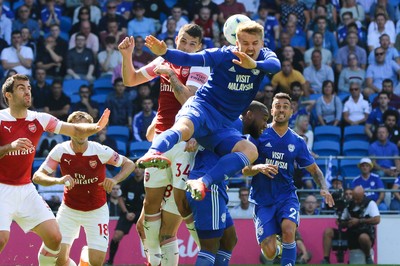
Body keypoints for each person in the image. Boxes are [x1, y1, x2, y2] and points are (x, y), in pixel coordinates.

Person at [138, 20, 281, 203]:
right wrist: (164, 52)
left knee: (250, 150)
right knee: (185, 128)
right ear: (236, 43)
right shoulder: (223, 54)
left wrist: (253, 64)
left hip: (223, 124)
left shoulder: (265, 56)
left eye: (254, 43)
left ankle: (202, 182)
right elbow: (189, 59)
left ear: (262, 43)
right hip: (203, 107)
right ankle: (154, 152)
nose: (250, 48)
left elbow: (275, 66)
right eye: (245, 43)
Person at [118, 23, 210, 266]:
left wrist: (170, 75)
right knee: (147, 213)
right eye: (183, 41)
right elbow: (130, 80)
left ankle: (209, 250)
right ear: (176, 39)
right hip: (161, 140)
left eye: (193, 44)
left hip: (184, 142)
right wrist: (126, 57)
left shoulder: (200, 65)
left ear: (199, 47)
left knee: (169, 224)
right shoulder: (164, 60)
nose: (187, 47)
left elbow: (188, 98)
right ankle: (155, 261)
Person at [0, 74, 110, 264]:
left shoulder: (40, 119)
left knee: (55, 238)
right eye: (21, 88)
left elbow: (75, 130)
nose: (27, 91)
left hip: (26, 190)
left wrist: (96, 126)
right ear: (8, 95)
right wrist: (10, 147)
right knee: (1, 239)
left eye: (29, 88)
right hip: (2, 189)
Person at [32, 111, 135, 266]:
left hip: (96, 211)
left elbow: (130, 164)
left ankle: (85, 258)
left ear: (91, 129)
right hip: (69, 210)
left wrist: (114, 180)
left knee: (96, 262)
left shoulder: (100, 150)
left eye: (85, 126)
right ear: (69, 129)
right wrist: (58, 180)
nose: (81, 130)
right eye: (76, 126)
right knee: (59, 260)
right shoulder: (60, 150)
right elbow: (37, 176)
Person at [242, 92, 334, 266]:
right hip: (263, 199)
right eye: (277, 106)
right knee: (269, 253)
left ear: (292, 111)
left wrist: (323, 186)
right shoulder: (258, 135)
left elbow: (315, 170)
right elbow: (245, 169)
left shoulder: (298, 142)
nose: (281, 110)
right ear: (271, 110)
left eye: (285, 106)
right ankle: (277, 247)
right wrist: (258, 168)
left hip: (286, 196)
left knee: (288, 229)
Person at [188, 100, 270, 265]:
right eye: (264, 118)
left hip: (215, 187)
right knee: (209, 247)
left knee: (229, 239)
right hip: (207, 187)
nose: (266, 125)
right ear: (249, 115)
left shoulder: (237, 132)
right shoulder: (230, 122)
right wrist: (192, 136)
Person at [106, 167, 145, 265]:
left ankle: (153, 261)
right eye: (135, 168)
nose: (137, 170)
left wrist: (141, 214)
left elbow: (149, 201)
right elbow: (120, 198)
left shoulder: (147, 183)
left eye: (140, 168)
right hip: (127, 213)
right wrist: (126, 212)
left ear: (144, 170)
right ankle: (110, 261)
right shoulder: (127, 182)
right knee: (116, 236)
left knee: (148, 238)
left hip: (141, 213)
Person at [340, 186, 380, 264]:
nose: (355, 201)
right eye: (354, 198)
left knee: (363, 237)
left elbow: (377, 219)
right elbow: (342, 221)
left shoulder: (370, 203)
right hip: (352, 233)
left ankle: (368, 257)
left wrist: (359, 221)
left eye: (358, 199)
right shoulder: (349, 204)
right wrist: (347, 223)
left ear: (363, 196)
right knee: (329, 232)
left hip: (365, 232)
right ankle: (326, 259)